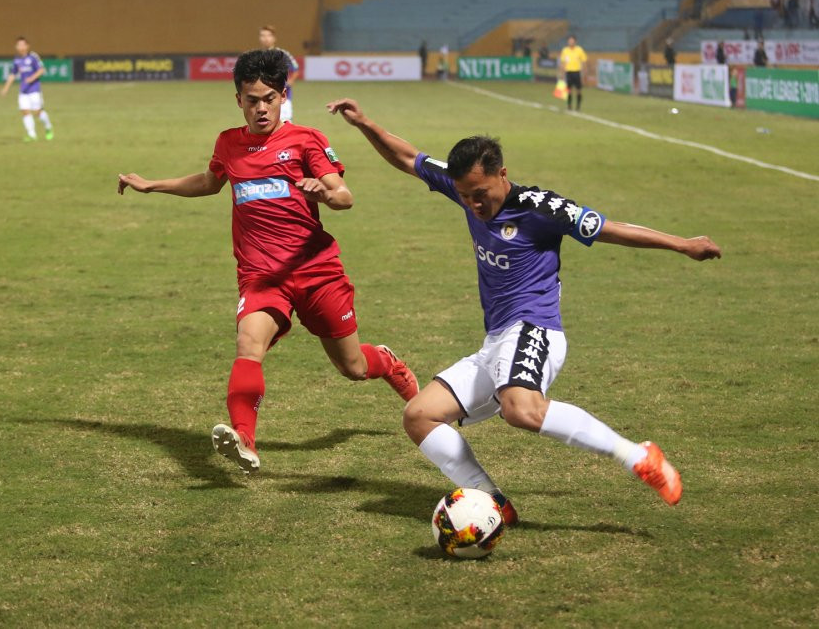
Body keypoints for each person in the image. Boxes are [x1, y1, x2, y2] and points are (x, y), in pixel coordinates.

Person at [326, 98, 722, 523]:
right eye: (465, 197)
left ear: (502, 174)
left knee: (522, 409)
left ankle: (636, 455)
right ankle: (491, 502)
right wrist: (365, 123)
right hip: (497, 341)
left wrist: (683, 244)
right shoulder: (464, 187)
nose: (474, 205)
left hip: (535, 328)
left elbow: (611, 229)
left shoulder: (541, 208)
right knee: (419, 416)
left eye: (481, 194)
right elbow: (407, 157)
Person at [116, 50, 419, 475]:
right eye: (252, 99)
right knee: (248, 344)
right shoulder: (228, 142)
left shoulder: (305, 140)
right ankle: (245, 438)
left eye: (270, 99)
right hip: (261, 276)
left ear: (283, 96)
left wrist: (324, 195)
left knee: (353, 367)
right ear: (237, 99)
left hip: (316, 272)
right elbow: (210, 181)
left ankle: (387, 362)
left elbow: (344, 196)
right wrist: (153, 185)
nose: (261, 108)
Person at [0, 37, 54, 142]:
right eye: (18, 45)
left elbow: (41, 70)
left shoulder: (33, 57)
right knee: (25, 111)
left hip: (34, 89)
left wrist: (31, 78)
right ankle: (32, 134)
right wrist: (5, 88)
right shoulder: (17, 60)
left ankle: (48, 127)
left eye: (22, 44)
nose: (20, 47)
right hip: (23, 90)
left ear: (27, 46)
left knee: (38, 112)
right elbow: (12, 74)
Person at [258, 25, 299, 122]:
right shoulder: (257, 56)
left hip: (282, 99)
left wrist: (291, 81)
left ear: (274, 38)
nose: (266, 38)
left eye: (268, 35)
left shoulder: (282, 54)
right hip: (263, 100)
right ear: (259, 38)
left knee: (285, 128)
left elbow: (296, 68)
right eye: (263, 36)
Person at [559, 35, 587, 111]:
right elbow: (563, 63)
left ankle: (578, 106)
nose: (571, 42)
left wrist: (584, 73)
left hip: (577, 72)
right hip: (568, 72)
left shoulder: (579, 50)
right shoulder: (565, 50)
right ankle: (569, 106)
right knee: (568, 90)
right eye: (569, 41)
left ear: (575, 41)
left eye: (572, 41)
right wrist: (561, 73)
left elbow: (584, 62)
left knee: (579, 90)